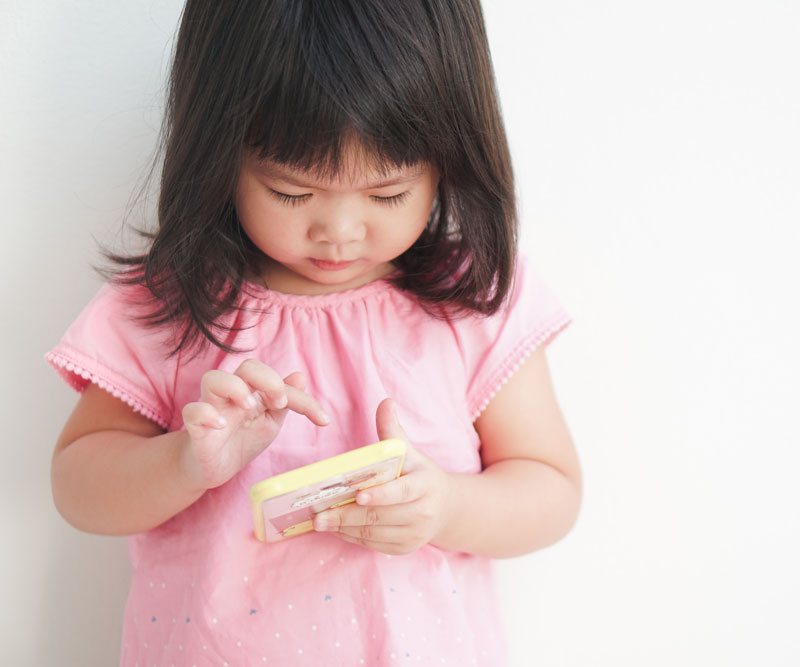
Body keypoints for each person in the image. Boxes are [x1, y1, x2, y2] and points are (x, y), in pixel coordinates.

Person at [47, 1, 582, 664]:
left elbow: (551, 487)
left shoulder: (469, 301)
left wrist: (445, 506)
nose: (340, 231)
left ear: (449, 161)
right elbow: (77, 484)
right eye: (292, 193)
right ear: (219, 153)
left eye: (388, 195)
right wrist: (186, 461)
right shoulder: (171, 305)